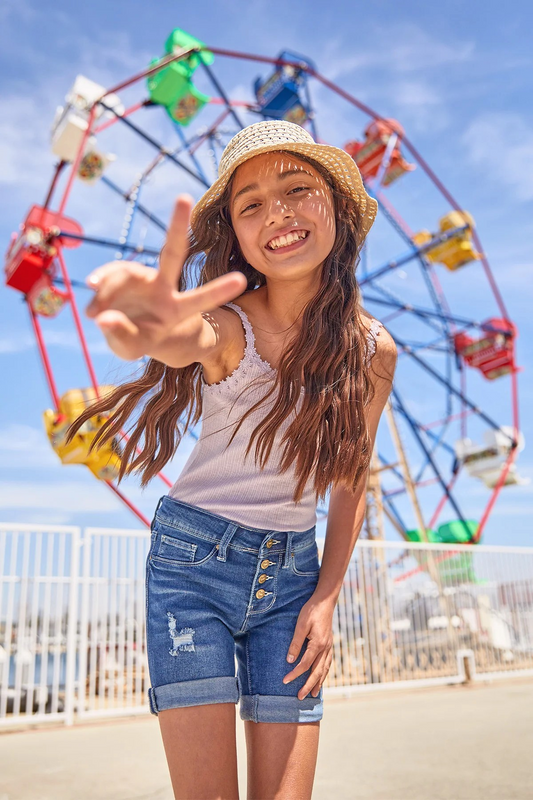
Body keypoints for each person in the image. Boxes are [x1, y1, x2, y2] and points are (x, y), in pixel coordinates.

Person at [68, 120, 397, 800]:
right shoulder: (230, 326)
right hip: (194, 568)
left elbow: (349, 478)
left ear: (335, 205)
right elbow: (180, 335)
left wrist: (327, 597)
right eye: (250, 204)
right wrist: (149, 329)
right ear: (238, 238)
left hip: (293, 578)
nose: (276, 211)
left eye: (297, 188)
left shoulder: (373, 352)